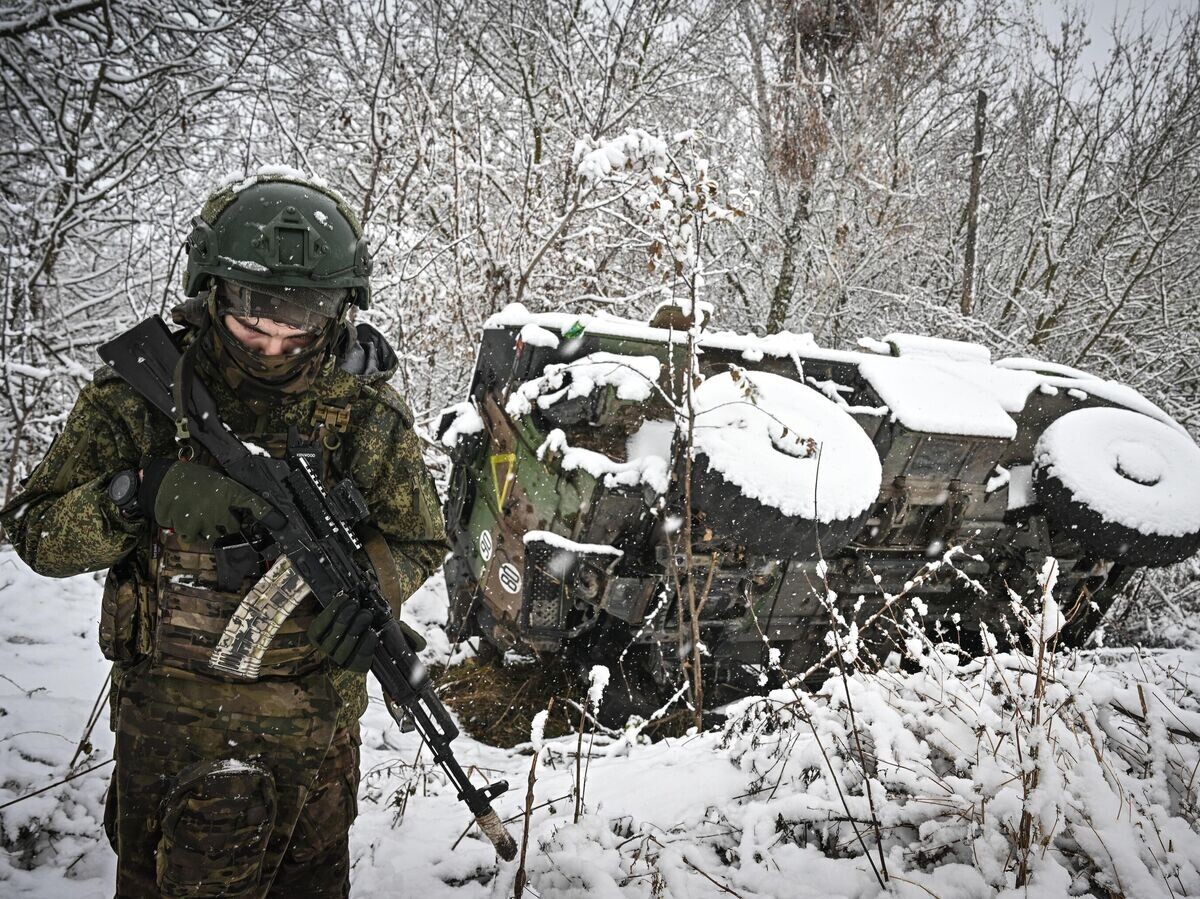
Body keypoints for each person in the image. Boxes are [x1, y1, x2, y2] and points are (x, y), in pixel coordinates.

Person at [0, 171, 448, 898]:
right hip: (175, 743)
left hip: (317, 754)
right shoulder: (141, 397)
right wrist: (141, 493)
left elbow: (423, 538)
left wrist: (371, 589)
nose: (272, 345)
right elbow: (35, 530)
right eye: (251, 322)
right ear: (211, 290)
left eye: (296, 326)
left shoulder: (361, 410)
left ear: (337, 311)